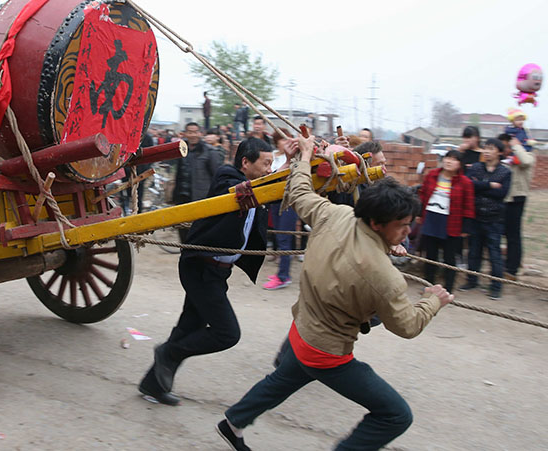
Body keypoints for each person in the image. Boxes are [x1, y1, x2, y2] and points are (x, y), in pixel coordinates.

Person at [216, 132, 453, 451]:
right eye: (402, 225)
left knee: (285, 378)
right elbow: (407, 325)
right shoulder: (385, 276)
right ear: (378, 223)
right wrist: (432, 302)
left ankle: (233, 422)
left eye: (409, 224)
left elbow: (299, 189)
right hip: (326, 350)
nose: (407, 232)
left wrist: (304, 155)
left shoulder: (334, 215)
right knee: (396, 415)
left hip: (303, 329)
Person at [138, 137, 274, 406]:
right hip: (201, 266)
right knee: (227, 333)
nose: (270, 169)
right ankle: (168, 352)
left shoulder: (262, 189)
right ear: (245, 163)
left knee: (190, 326)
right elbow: (237, 190)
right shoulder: (228, 178)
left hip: (218, 272)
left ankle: (152, 384)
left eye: (273, 164)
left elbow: (280, 190)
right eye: (266, 163)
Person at [459, 138, 511, 299]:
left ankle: (496, 286)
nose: (487, 152)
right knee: (474, 251)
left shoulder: (505, 172)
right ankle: (471, 280)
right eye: (485, 148)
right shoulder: (476, 167)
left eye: (491, 149)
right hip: (475, 216)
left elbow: (502, 194)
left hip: (494, 219)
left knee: (494, 253)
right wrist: (489, 185)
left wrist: (480, 186)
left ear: (499, 152)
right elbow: (468, 186)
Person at [417, 150, 475, 293]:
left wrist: (465, 227)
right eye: (447, 158)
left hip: (452, 222)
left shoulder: (465, 182)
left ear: (460, 164)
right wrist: (418, 214)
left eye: (454, 159)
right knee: (430, 256)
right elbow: (423, 195)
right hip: (431, 219)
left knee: (450, 257)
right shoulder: (432, 175)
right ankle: (428, 285)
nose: (449, 161)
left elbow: (468, 206)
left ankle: (448, 289)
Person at [171, 122, 222, 241]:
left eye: (195, 132)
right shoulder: (181, 150)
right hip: (182, 198)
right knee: (183, 232)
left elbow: (217, 176)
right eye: (190, 132)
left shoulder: (210, 152)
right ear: (185, 134)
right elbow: (178, 175)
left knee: (200, 233)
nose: (193, 135)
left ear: (200, 133)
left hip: (201, 198)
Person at [264, 132, 299, 290]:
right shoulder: (273, 156)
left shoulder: (296, 159)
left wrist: (290, 159)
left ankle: (283, 277)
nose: (286, 142)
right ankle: (281, 273)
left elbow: (279, 176)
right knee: (279, 238)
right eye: (282, 139)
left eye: (288, 138)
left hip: (288, 202)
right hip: (275, 201)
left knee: (285, 240)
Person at [497, 133, 535, 279]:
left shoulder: (527, 155)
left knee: (513, 235)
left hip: (517, 198)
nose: (504, 149)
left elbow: (525, 161)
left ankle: (512, 270)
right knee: (501, 233)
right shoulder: (504, 160)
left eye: (506, 145)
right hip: (503, 199)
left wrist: (516, 145)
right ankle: (506, 264)